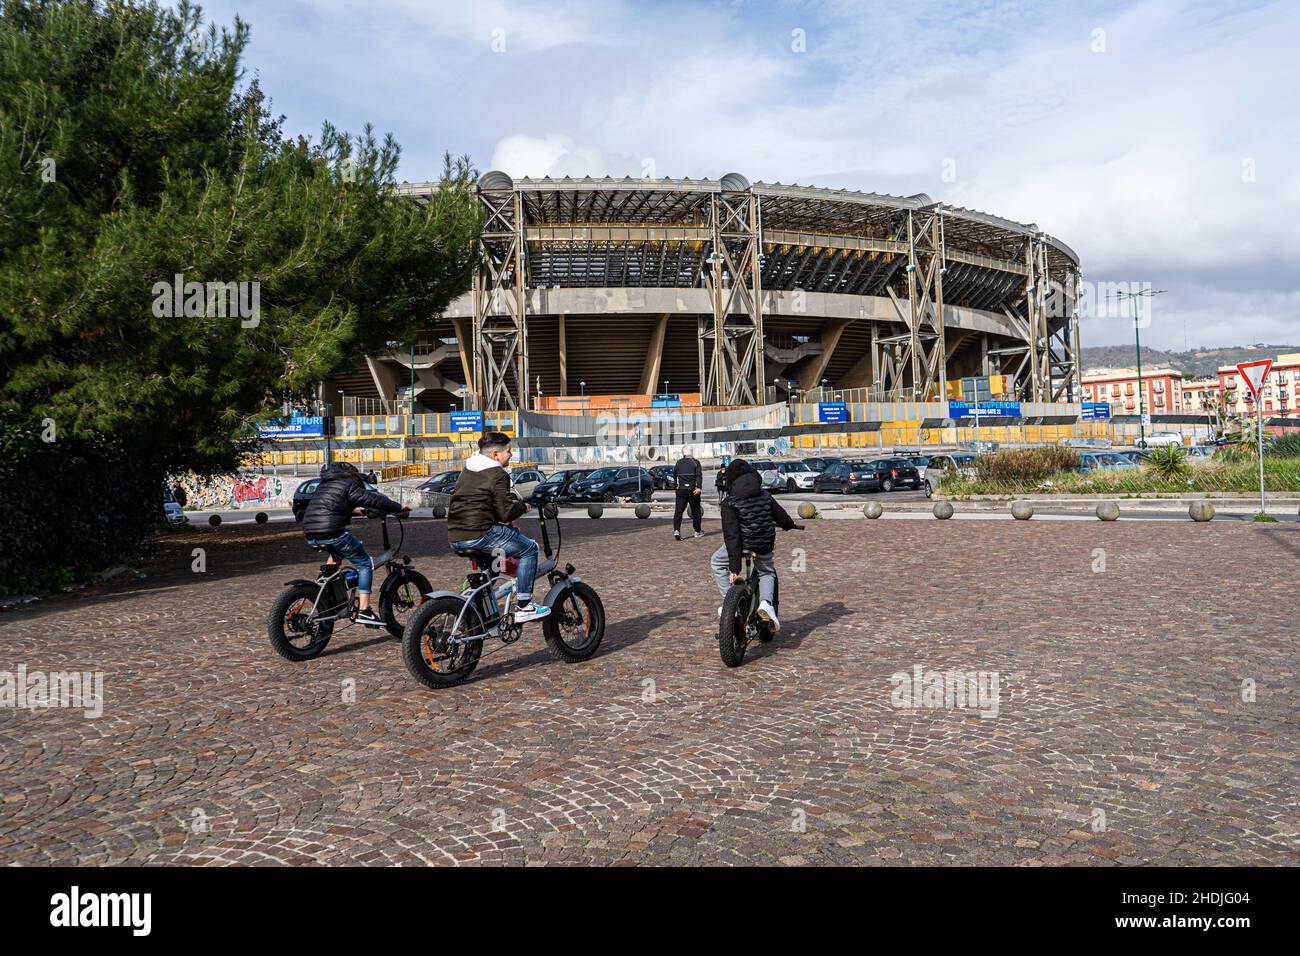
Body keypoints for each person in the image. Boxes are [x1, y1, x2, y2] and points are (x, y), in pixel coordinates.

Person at [446, 432, 551, 623]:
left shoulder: (468, 468)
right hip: (480, 532)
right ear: (495, 455)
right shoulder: (498, 474)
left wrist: (504, 503)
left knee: (491, 565)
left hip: (456, 534)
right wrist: (523, 507)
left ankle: (474, 613)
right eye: (508, 451)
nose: (511, 455)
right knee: (529, 549)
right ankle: (524, 606)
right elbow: (505, 514)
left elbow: (477, 501)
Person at [302, 461, 409, 627]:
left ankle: (325, 584)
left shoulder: (325, 484)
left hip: (311, 532)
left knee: (336, 553)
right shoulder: (348, 483)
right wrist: (398, 507)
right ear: (351, 474)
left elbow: (331, 505)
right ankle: (364, 611)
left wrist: (354, 509)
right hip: (332, 531)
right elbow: (372, 499)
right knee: (365, 564)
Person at [711, 458, 795, 631]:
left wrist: (734, 568)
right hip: (764, 542)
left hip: (741, 544)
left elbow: (732, 536)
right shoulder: (765, 495)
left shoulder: (729, 502)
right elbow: (781, 517)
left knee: (717, 561)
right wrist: (789, 525)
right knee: (766, 572)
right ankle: (765, 604)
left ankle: (730, 603)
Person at [672, 452, 704, 540]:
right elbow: (699, 475)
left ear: (683, 453)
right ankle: (697, 531)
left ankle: (677, 530)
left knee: (678, 511)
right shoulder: (695, 462)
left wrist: (675, 485)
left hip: (681, 489)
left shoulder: (678, 462)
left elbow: (674, 474)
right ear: (692, 453)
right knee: (696, 511)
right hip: (692, 489)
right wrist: (699, 487)